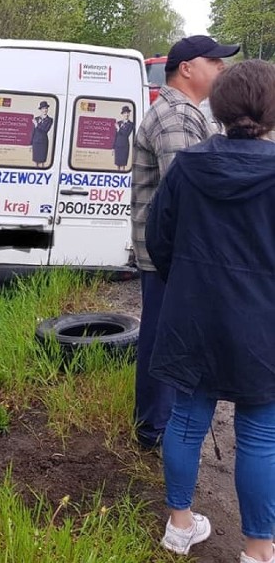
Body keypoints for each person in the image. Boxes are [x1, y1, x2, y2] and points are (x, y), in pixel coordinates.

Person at [146, 59, 275, 562]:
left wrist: (190, 286)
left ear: (220, 106)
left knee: (185, 418)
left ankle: (179, 526)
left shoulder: (190, 166)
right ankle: (258, 550)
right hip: (262, 325)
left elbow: (160, 239)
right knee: (261, 435)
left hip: (193, 315)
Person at [131, 35, 240, 451]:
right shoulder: (175, 116)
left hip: (175, 251)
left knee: (167, 335)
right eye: (214, 60)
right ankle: (155, 428)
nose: (222, 68)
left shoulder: (192, 113)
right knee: (164, 337)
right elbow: (192, 188)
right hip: (169, 254)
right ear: (187, 68)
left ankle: (160, 422)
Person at [31, 101, 53, 167]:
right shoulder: (36, 119)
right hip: (36, 142)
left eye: (46, 108)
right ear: (41, 109)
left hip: (43, 142)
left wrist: (37, 124)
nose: (45, 110)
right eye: (43, 108)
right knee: (36, 161)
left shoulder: (50, 119)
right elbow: (33, 131)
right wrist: (30, 143)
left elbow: (45, 130)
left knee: (42, 160)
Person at [113, 105, 134, 170]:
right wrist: (113, 147)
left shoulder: (131, 124)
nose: (126, 114)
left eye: (128, 113)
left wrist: (119, 129)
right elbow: (115, 136)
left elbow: (126, 134)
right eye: (125, 113)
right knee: (117, 165)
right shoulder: (118, 123)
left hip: (124, 146)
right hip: (117, 146)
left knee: (123, 165)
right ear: (122, 114)